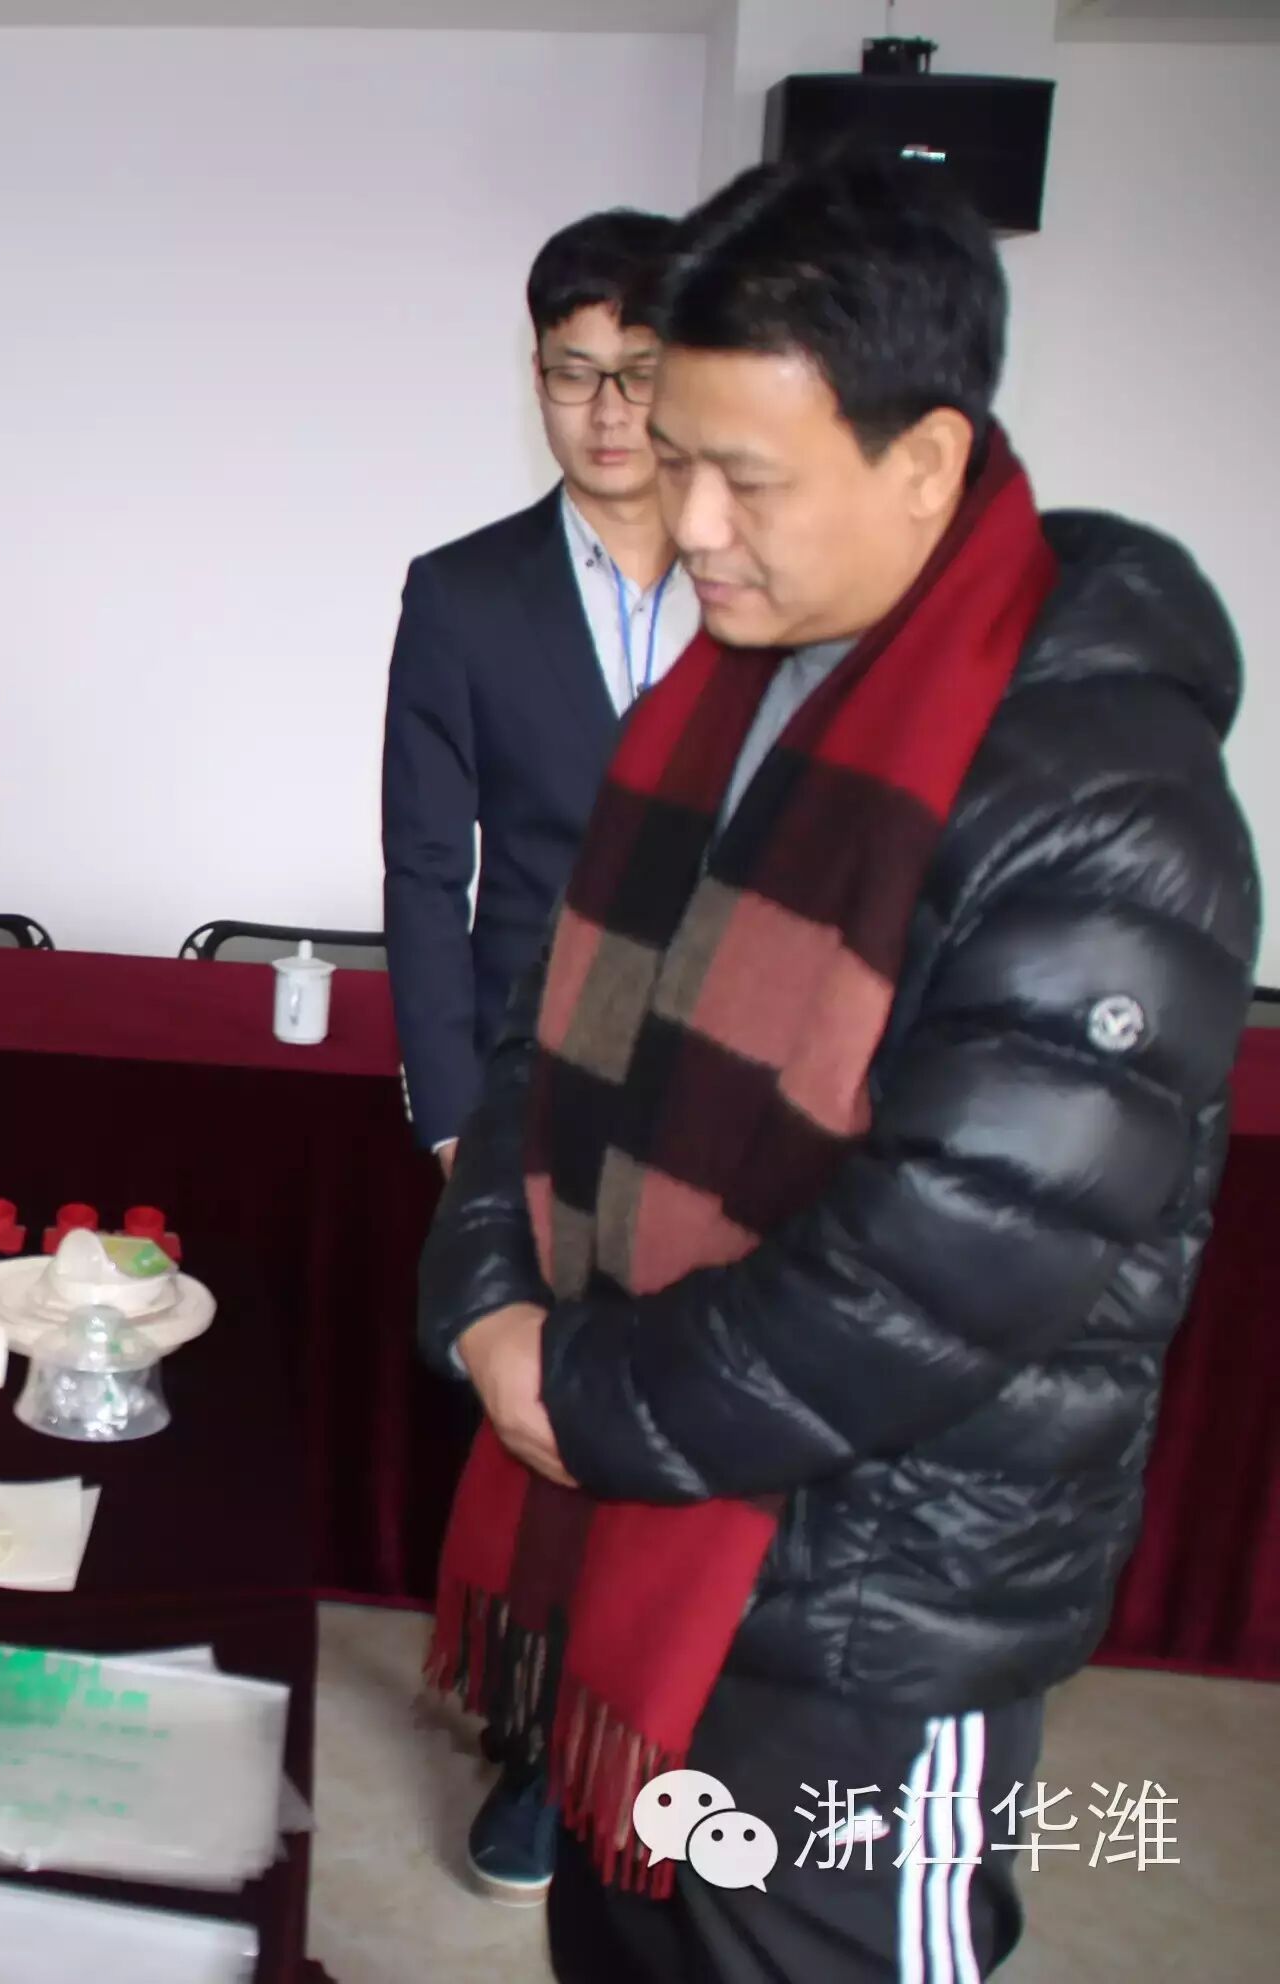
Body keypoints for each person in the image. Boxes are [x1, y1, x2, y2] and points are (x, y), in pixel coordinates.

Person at [417, 152, 1256, 1983]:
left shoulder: (1104, 805)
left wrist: (576, 1389)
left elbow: (944, 1264)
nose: (691, 521)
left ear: (928, 460)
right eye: (671, 455)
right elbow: (548, 1043)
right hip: (638, 1550)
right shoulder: (721, 695)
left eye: (749, 476)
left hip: (871, 1611)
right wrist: (486, 1301)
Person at [380, 204, 686, 1903]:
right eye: (574, 375)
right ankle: (534, 1750)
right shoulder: (465, 593)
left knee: (687, 1418)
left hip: (727, 1087)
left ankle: (657, 1728)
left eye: (639, 373)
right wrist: (449, 1112)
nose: (608, 412)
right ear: (538, 378)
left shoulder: (760, 571)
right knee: (530, 1422)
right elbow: (426, 868)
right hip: (534, 1078)